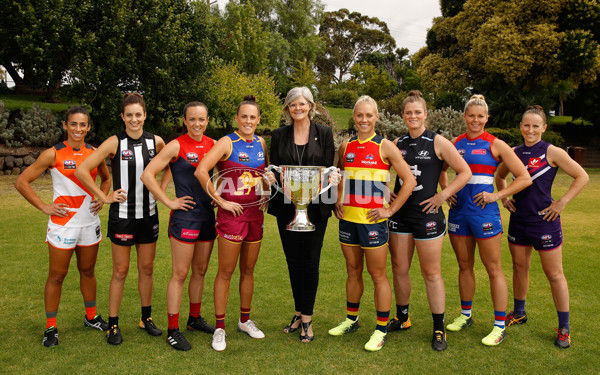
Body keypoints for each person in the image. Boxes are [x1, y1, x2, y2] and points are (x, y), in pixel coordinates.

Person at [15, 106, 111, 347]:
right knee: (57, 276)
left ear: (88, 127)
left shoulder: (94, 152)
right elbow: (22, 182)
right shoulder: (52, 154)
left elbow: (106, 178)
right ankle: (51, 327)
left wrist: (102, 196)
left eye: (83, 125)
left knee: (88, 271)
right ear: (65, 125)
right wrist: (45, 207)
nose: (78, 129)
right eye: (73, 124)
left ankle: (91, 317)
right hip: (63, 224)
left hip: (89, 222)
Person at [76, 92, 166, 345]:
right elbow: (83, 170)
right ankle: (113, 324)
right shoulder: (115, 142)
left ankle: (145, 318)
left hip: (148, 215)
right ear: (123, 117)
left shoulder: (156, 142)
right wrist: (103, 197)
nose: (134, 119)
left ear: (145, 115)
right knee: (120, 271)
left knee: (147, 269)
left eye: (139, 114)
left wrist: (161, 192)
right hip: (123, 217)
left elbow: (170, 165)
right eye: (129, 115)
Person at [496, 105, 588, 349]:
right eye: (526, 125)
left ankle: (564, 327)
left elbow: (582, 176)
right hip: (519, 221)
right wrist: (504, 197)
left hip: (544, 222)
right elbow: (500, 176)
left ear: (544, 128)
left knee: (554, 274)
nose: (530, 130)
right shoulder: (513, 152)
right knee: (519, 268)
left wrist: (562, 202)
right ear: (520, 127)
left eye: (536, 126)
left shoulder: (552, 152)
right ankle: (519, 312)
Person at [442, 94, 531, 346]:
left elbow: (524, 177)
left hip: (485, 215)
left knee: (493, 269)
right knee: (464, 266)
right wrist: (447, 191)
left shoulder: (496, 144)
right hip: (459, 213)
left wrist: (497, 195)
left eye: (480, 116)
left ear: (487, 118)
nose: (475, 120)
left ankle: (499, 325)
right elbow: (439, 170)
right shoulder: (454, 143)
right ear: (464, 117)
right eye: (471, 116)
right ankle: (465, 315)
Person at [329, 95, 416, 352]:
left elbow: (409, 181)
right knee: (352, 271)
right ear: (354, 118)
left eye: (369, 115)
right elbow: (343, 174)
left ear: (376, 117)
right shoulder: (346, 145)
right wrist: (337, 200)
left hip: (373, 223)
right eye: (359, 115)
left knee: (377, 275)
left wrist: (390, 210)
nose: (364, 119)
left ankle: (380, 329)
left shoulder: (385, 146)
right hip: (348, 221)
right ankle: (351, 320)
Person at [386, 90, 471, 351]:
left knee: (431, 273)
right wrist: (385, 190)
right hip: (400, 214)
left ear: (426, 115)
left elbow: (464, 172)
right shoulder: (396, 143)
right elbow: (380, 171)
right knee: (399, 269)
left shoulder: (438, 142)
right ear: (403, 115)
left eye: (417, 112)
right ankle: (403, 318)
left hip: (427, 216)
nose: (413, 116)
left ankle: (438, 327)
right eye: (408, 112)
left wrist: (442, 195)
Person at [195, 95, 269, 352]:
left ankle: (245, 321)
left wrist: (266, 192)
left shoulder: (261, 142)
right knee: (226, 272)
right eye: (244, 116)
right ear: (237, 118)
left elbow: (263, 174)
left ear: (258, 120)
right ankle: (219, 328)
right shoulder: (227, 142)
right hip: (231, 217)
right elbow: (201, 170)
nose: (248, 121)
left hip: (254, 217)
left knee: (248, 272)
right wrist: (220, 200)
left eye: (253, 117)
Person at [140, 102, 216, 351]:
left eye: (201, 119)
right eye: (192, 119)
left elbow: (221, 176)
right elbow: (147, 175)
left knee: (201, 271)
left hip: (207, 217)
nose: (197, 124)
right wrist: (169, 202)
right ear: (184, 120)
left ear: (207, 120)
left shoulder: (213, 145)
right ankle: (173, 329)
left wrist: (217, 197)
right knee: (180, 274)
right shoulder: (176, 145)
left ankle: (194, 319)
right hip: (184, 219)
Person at [265, 87, 336, 343]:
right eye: (293, 104)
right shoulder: (279, 134)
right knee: (293, 261)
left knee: (310, 262)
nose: (298, 108)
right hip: (287, 208)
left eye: (302, 104)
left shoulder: (324, 133)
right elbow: (274, 168)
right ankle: (297, 313)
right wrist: (269, 177)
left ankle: (307, 318)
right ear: (287, 107)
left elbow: (329, 169)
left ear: (310, 106)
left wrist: (334, 177)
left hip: (316, 209)